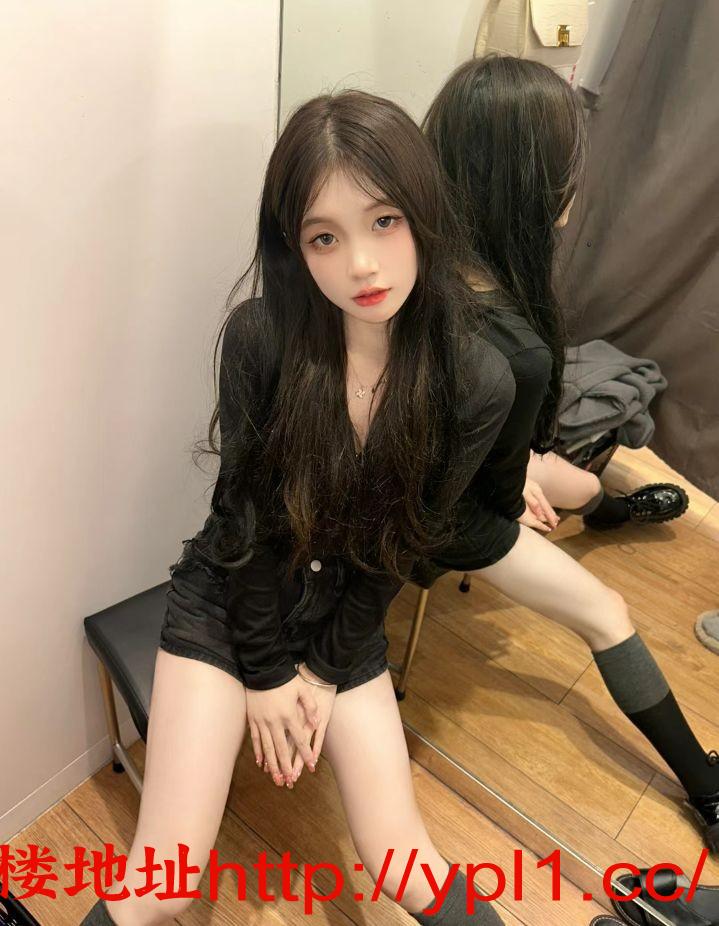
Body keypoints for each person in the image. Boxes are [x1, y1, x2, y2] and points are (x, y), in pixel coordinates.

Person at [80, 90, 517, 926]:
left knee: (404, 865)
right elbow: (241, 524)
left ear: (423, 213)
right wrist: (267, 674)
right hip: (228, 602)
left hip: (342, 620)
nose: (361, 265)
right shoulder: (261, 338)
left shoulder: (475, 382)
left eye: (384, 221)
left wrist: (317, 669)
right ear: (294, 246)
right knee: (161, 885)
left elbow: (400, 549)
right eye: (325, 237)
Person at [420, 54, 719, 853]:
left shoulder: (420, 263)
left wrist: (510, 466)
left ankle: (608, 510)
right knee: (606, 615)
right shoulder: (509, 345)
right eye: (567, 169)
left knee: (577, 486)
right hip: (449, 517)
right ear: (533, 186)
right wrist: (503, 490)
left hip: (459, 471)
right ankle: (710, 791)